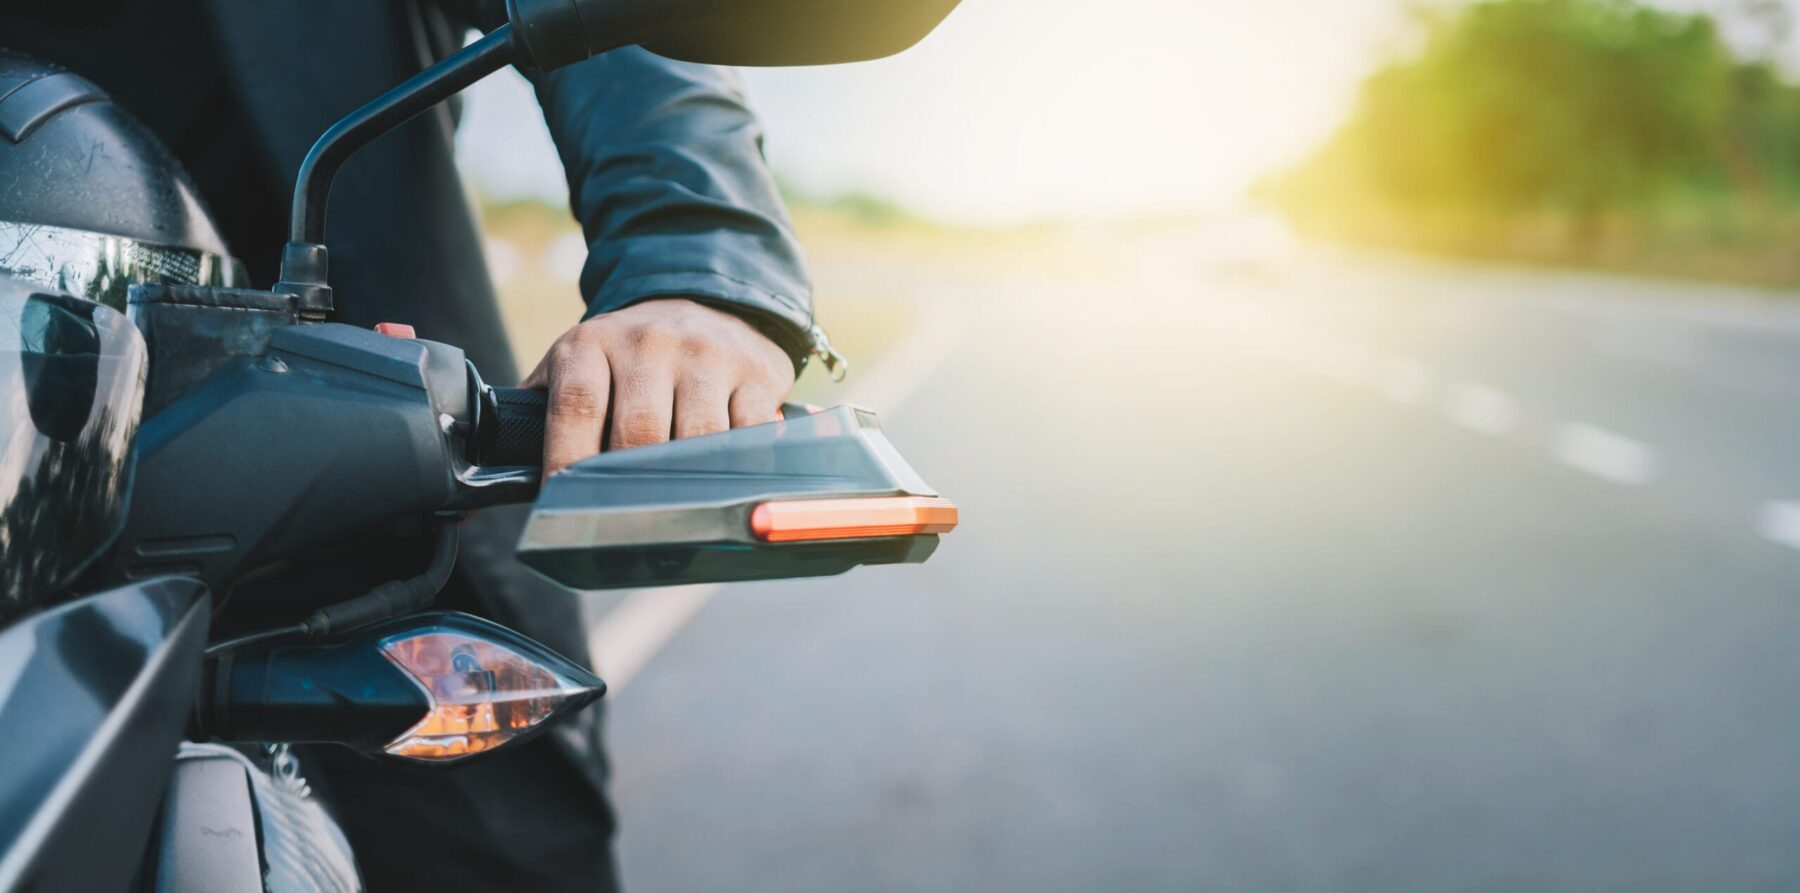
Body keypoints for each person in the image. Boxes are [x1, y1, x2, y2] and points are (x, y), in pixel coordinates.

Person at [3, 1, 824, 889]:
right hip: (27, 535)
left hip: (375, 533)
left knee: (495, 845)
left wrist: (695, 271)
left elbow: (621, 48)